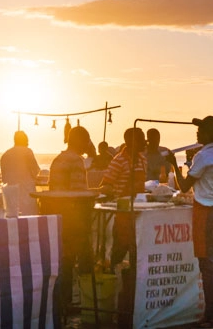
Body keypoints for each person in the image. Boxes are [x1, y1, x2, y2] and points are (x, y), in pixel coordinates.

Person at [166, 115, 213, 328]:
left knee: (207, 264)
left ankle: (211, 314)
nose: (197, 133)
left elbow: (185, 186)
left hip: (205, 213)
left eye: (201, 129)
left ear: (208, 134)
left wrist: (174, 165)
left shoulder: (202, 157)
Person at [47, 125, 94, 311]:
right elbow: (79, 193)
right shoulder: (76, 161)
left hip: (57, 215)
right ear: (80, 141)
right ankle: (88, 300)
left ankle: (63, 302)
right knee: (83, 258)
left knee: (64, 260)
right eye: (87, 140)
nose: (88, 144)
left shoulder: (58, 159)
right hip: (73, 217)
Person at [101, 127, 147, 268]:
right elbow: (106, 185)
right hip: (122, 213)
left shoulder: (142, 160)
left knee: (137, 249)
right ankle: (113, 274)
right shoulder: (118, 161)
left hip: (139, 212)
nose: (145, 143)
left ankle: (133, 281)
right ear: (131, 142)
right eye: (141, 140)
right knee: (120, 248)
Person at [0, 131, 41, 215]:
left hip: (9, 192)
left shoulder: (6, 154)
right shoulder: (27, 151)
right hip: (26, 191)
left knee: (11, 217)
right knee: (28, 219)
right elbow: (35, 170)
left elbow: (3, 175)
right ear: (25, 140)